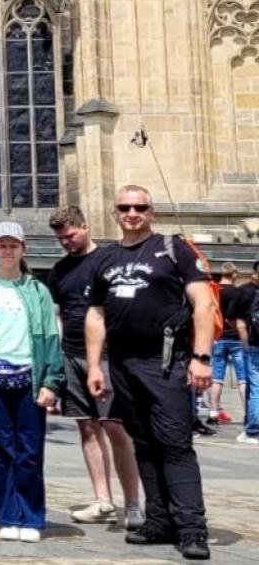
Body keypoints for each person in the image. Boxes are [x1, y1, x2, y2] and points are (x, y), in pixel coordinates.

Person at [86, 185, 215, 561]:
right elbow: (96, 315)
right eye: (124, 207)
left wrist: (202, 358)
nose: (132, 213)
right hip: (124, 364)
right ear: (115, 213)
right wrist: (96, 365)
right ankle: (159, 520)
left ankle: (192, 528)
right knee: (143, 443)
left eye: (139, 207)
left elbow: (203, 303)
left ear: (151, 211)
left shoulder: (174, 249)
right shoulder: (105, 258)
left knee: (175, 444)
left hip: (166, 361)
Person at [0, 223, 61, 543]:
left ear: (23, 248)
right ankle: (6, 515)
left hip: (29, 379)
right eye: (1, 246)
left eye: (13, 245)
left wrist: (51, 382)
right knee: (1, 451)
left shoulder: (37, 290)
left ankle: (31, 516)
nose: (7, 251)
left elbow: (49, 338)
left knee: (30, 452)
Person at [48, 205, 144, 526]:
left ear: (86, 227)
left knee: (115, 427)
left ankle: (132, 504)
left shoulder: (109, 261)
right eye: (61, 238)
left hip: (106, 355)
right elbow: (58, 315)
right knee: (86, 427)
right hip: (71, 353)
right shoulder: (60, 270)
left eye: (71, 236)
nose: (66, 242)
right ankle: (103, 501)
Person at [206, 262, 249, 425]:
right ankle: (248, 413)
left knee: (217, 378)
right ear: (235, 275)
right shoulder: (239, 293)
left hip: (217, 337)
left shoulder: (214, 291)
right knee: (243, 379)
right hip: (236, 338)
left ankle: (212, 413)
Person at [240, 261, 259, 444]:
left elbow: (236, 320)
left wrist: (246, 344)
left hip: (254, 345)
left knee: (255, 388)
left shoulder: (247, 292)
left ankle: (253, 430)